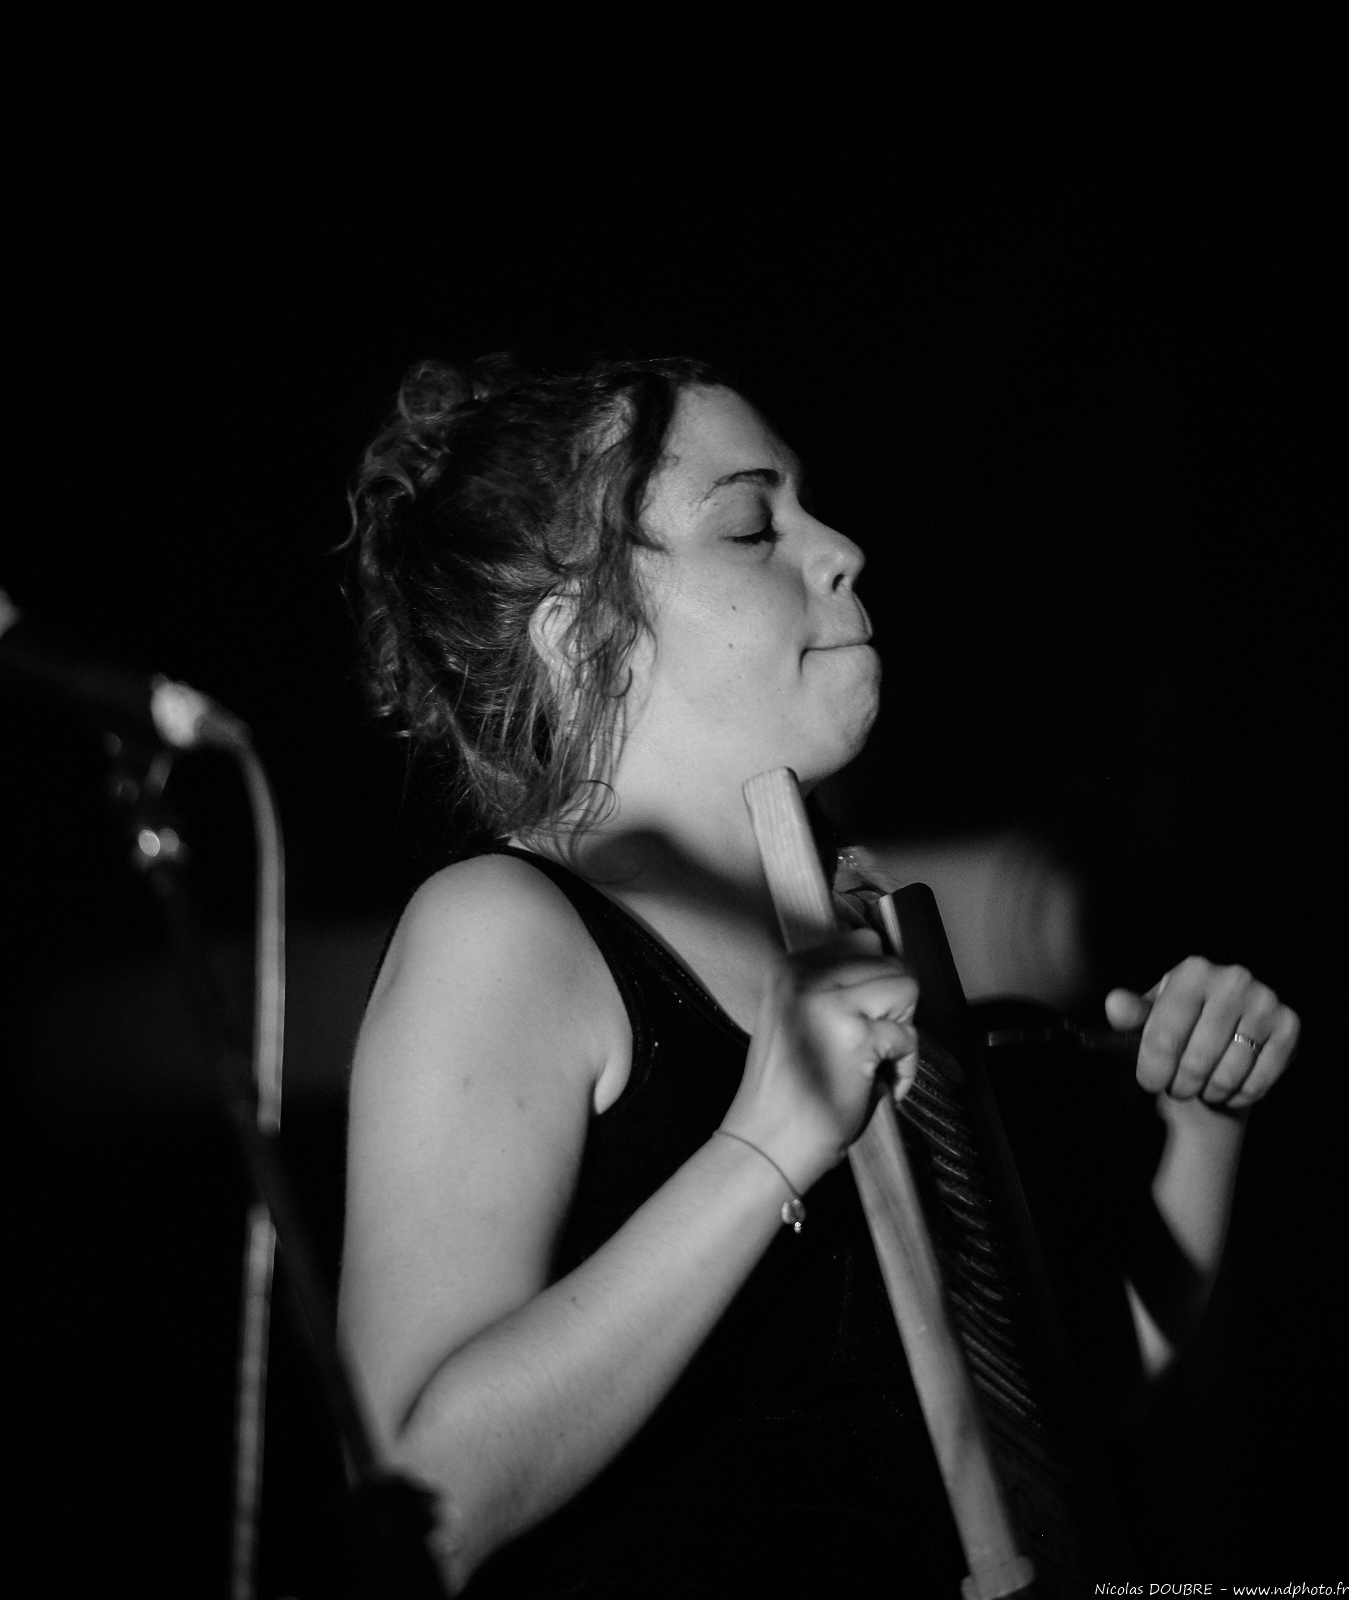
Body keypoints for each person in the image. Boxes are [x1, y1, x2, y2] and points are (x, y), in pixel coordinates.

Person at [338, 355, 1299, 1597]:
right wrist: (762, 1150)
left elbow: (1063, 1404)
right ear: (581, 639)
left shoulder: (855, 929)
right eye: (751, 526)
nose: (840, 549)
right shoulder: (505, 931)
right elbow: (423, 1505)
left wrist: (1196, 1118)